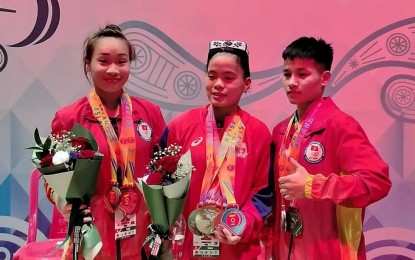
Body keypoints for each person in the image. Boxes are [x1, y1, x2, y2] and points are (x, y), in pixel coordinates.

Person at [43, 24, 166, 259]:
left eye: (121, 61)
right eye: (103, 61)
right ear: (88, 64)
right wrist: (62, 201)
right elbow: (51, 175)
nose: (113, 69)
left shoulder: (150, 113)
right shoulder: (69, 118)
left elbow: (164, 170)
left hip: (141, 237)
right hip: (92, 236)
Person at [271, 36, 392, 259]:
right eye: (287, 74)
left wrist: (313, 186)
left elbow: (377, 182)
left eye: (302, 74)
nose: (291, 82)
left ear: (324, 78)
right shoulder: (280, 131)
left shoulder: (341, 125)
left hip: (330, 251)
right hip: (285, 250)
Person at [160, 40, 272, 259]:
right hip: (188, 247)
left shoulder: (259, 133)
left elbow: (263, 194)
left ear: (246, 83)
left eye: (229, 78)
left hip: (237, 247)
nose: (218, 84)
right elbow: (162, 181)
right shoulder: (179, 127)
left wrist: (242, 225)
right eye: (211, 76)